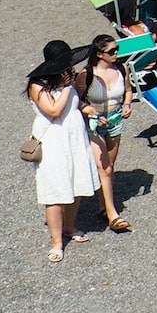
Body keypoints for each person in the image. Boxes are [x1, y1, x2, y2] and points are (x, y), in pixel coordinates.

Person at [27, 40, 100, 263]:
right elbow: (54, 110)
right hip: (54, 141)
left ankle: (70, 226)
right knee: (55, 192)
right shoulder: (38, 85)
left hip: (74, 137)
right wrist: (68, 87)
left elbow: (75, 105)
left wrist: (89, 110)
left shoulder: (68, 78)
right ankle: (56, 242)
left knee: (76, 183)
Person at [78, 35, 132, 233]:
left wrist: (127, 104)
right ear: (99, 54)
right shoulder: (87, 75)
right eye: (111, 51)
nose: (116, 53)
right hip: (94, 123)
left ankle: (103, 206)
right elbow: (77, 100)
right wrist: (90, 111)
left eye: (117, 49)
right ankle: (113, 215)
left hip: (115, 120)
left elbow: (128, 90)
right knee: (106, 168)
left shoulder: (121, 69)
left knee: (110, 166)